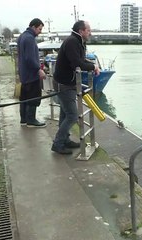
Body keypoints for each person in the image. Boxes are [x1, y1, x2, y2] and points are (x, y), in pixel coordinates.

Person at [51, 20, 100, 154]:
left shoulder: (77, 41)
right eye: (88, 30)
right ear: (81, 31)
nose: (90, 33)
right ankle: (58, 143)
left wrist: (92, 65)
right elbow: (77, 63)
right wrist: (93, 67)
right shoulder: (73, 42)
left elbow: (82, 60)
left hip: (66, 82)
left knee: (64, 113)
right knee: (72, 115)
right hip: (64, 84)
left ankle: (64, 140)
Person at [17, 18, 46, 127]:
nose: (40, 31)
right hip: (31, 74)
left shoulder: (22, 36)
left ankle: (23, 119)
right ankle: (31, 120)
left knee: (24, 97)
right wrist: (39, 69)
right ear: (33, 27)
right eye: (39, 29)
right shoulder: (29, 38)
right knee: (34, 97)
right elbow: (29, 58)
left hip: (24, 74)